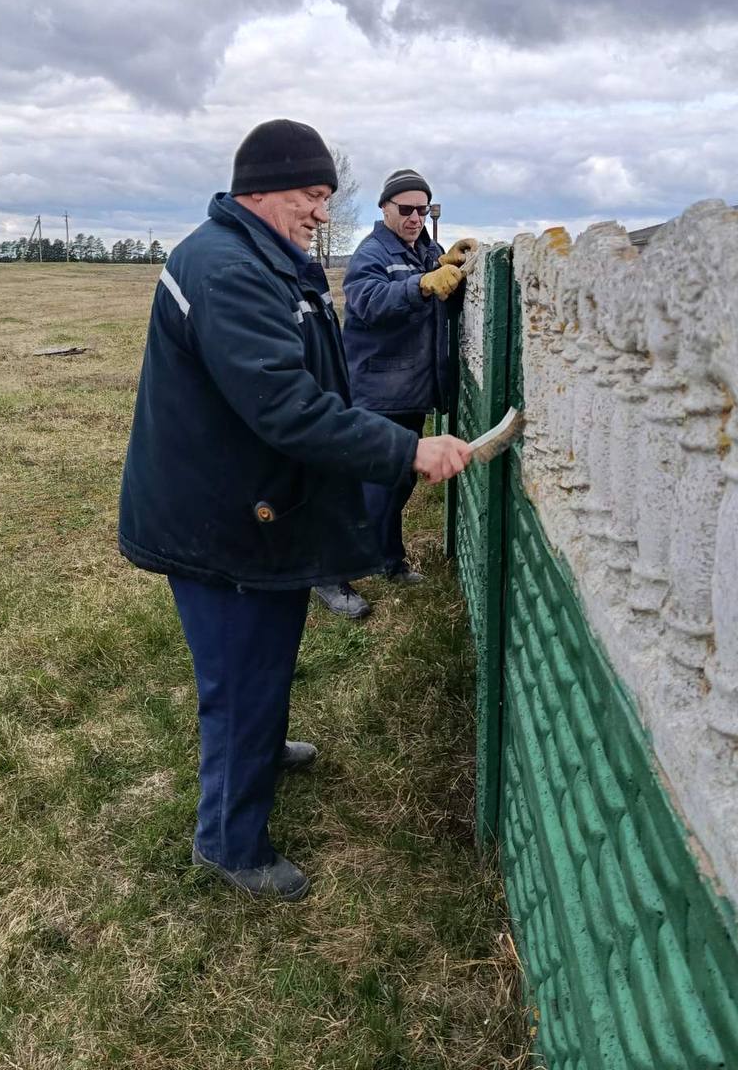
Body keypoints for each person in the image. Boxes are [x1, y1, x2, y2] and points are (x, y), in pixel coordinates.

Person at [118, 121, 472, 900]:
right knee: (241, 675)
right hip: (218, 520)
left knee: (265, 654)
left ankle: (262, 746)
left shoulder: (263, 257)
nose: (320, 212)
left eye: (326, 197)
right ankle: (229, 843)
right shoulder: (227, 271)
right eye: (310, 195)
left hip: (252, 505)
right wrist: (406, 450)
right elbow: (285, 406)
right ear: (260, 189)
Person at [314, 168, 476, 620]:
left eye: (422, 210)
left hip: (410, 390)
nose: (414, 218)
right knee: (370, 487)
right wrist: (420, 284)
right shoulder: (371, 253)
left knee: (397, 483)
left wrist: (454, 265)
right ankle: (327, 572)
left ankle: (388, 559)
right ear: (384, 208)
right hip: (377, 389)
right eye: (405, 209)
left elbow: (441, 287)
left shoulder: (427, 250)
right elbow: (367, 301)